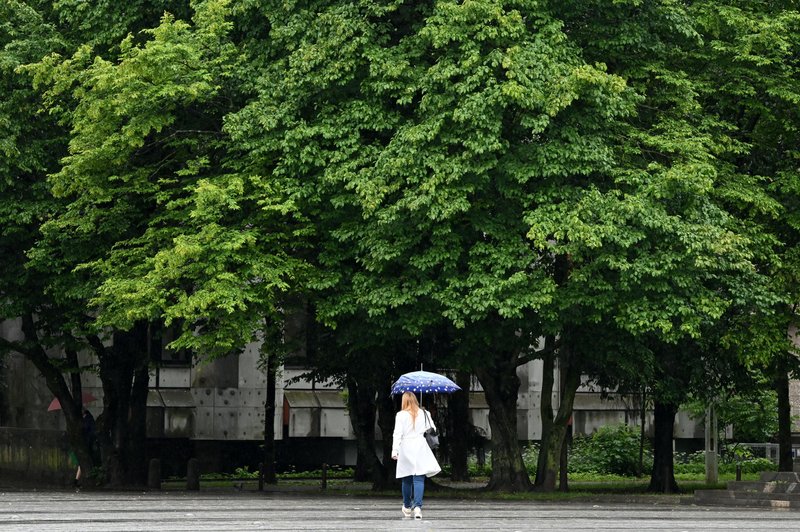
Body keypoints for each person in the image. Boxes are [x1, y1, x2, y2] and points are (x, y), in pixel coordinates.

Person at [391, 392, 441, 520]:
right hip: (420, 446)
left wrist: (395, 450)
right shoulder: (425, 413)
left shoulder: (400, 415)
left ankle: (407, 507)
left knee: (406, 478)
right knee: (419, 478)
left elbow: (397, 434)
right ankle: (418, 507)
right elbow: (432, 429)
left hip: (406, 447)